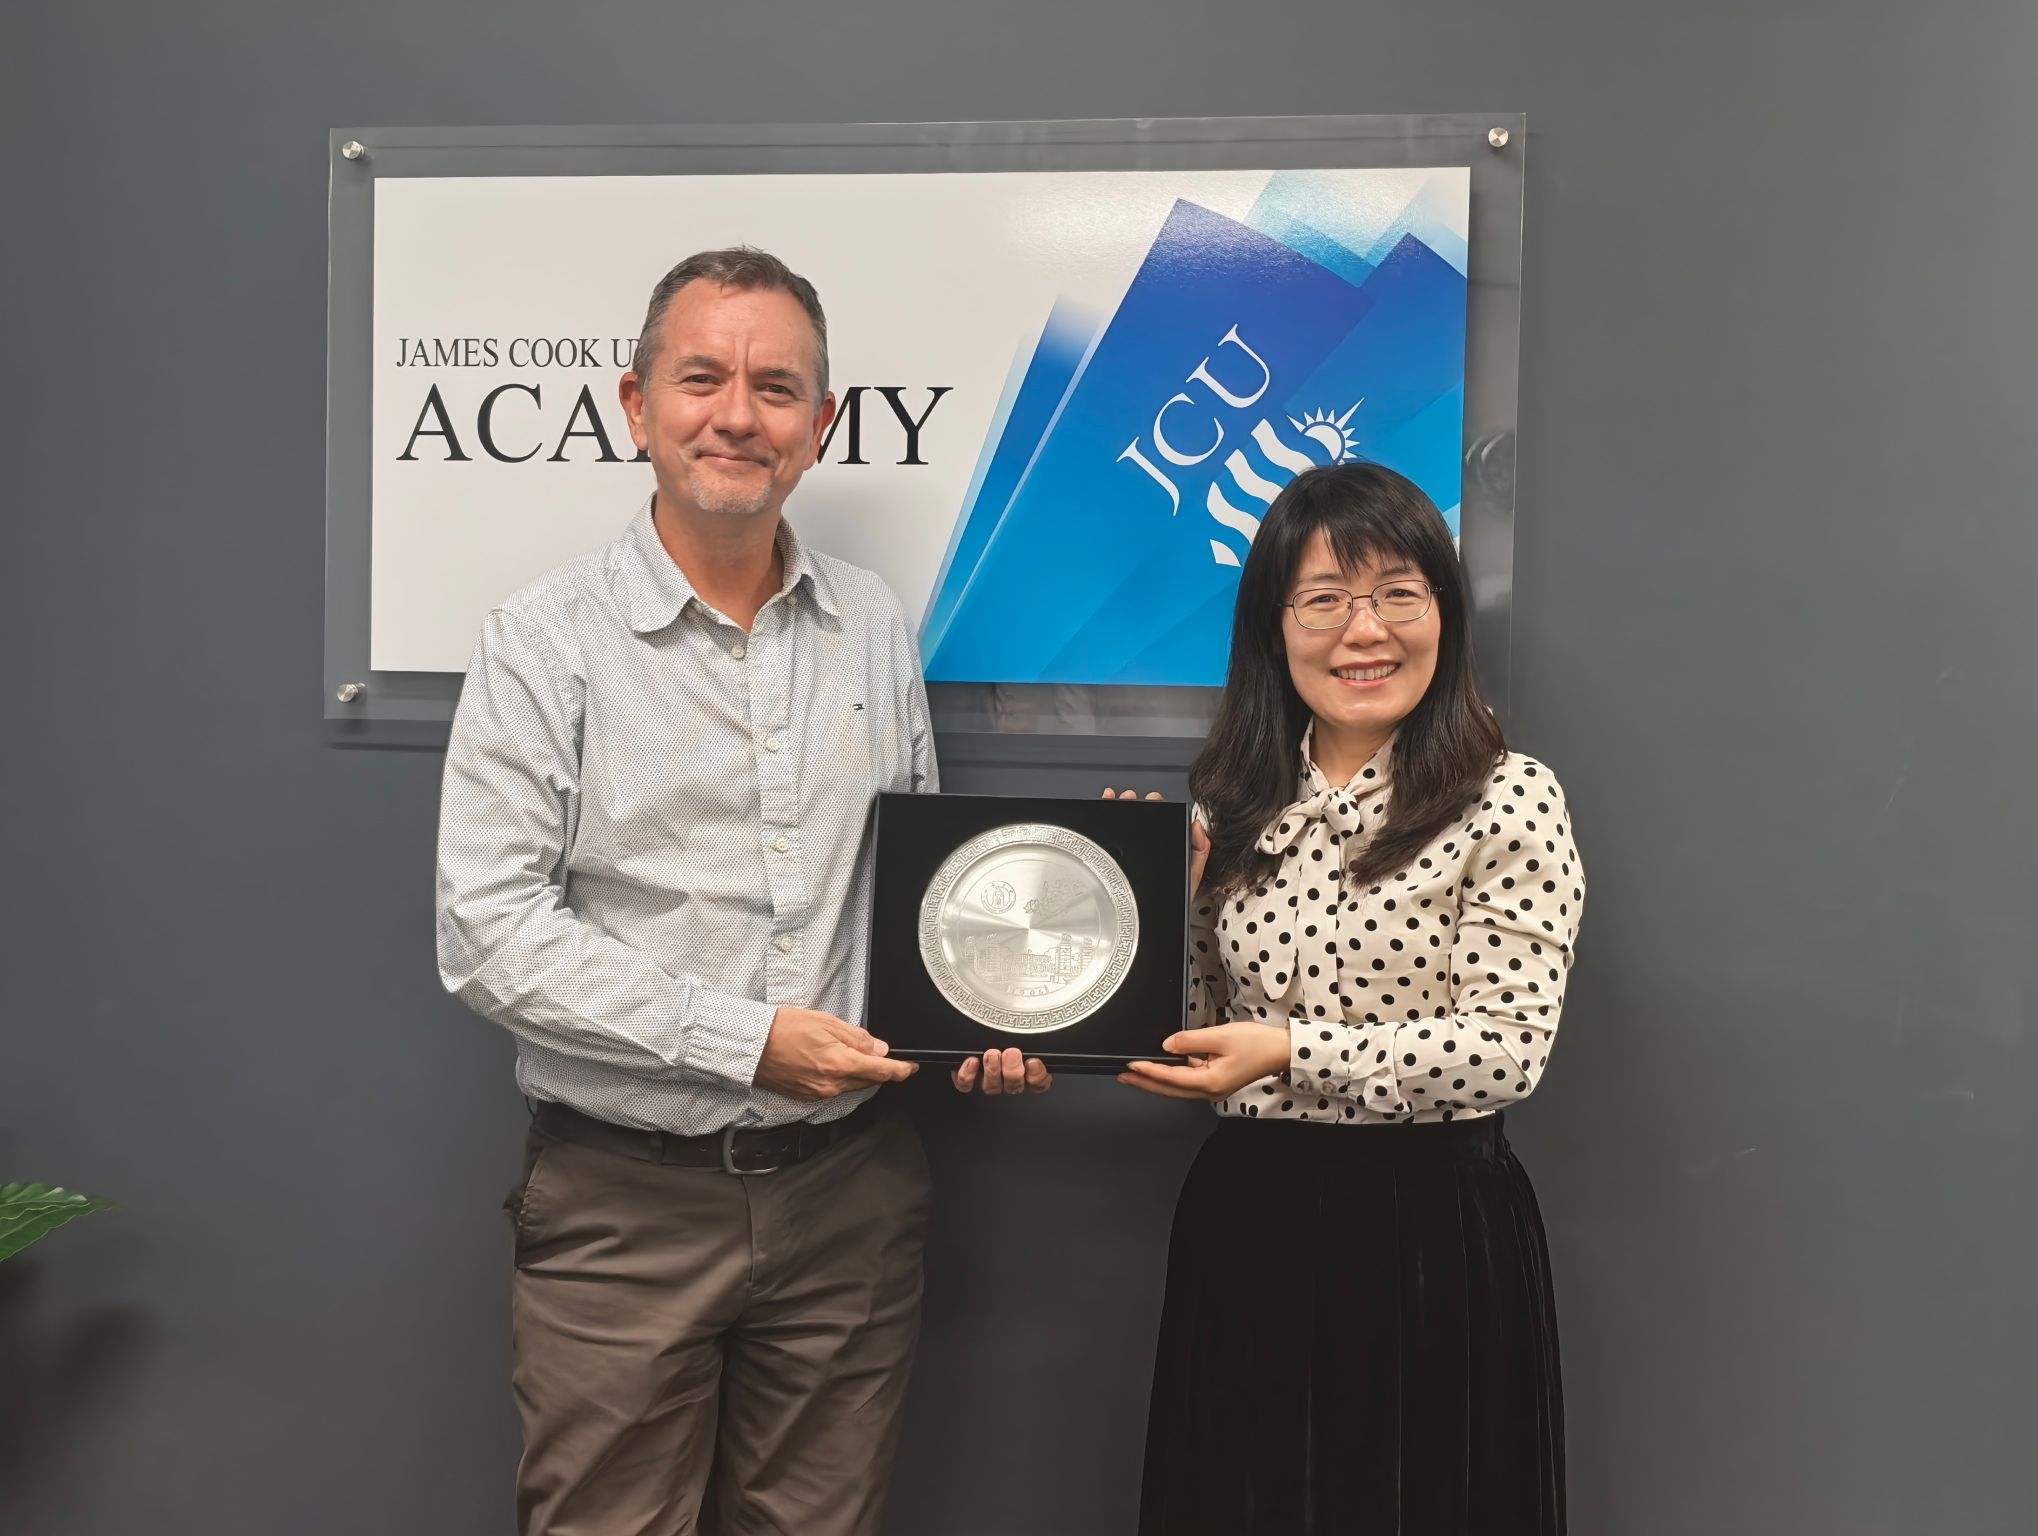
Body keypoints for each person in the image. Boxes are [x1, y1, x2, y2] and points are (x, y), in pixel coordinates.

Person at [435, 246, 1042, 1536]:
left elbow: (921, 892)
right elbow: (487, 935)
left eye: (775, 388)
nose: (736, 416)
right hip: (623, 1207)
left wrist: (1005, 1009)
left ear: (820, 425)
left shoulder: (873, 626)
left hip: (851, 1197)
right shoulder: (540, 641)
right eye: (700, 377)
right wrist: (745, 1040)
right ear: (634, 404)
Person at [1118, 462, 1585, 1535]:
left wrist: (1290, 1051)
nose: (1362, 631)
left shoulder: (1509, 796)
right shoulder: (1231, 800)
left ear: (1443, 614)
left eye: (1395, 594)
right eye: (1323, 599)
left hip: (1431, 1233)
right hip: (1249, 1220)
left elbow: (1507, 1047)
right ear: (1274, 627)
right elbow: (1195, 1024)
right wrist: (1148, 905)